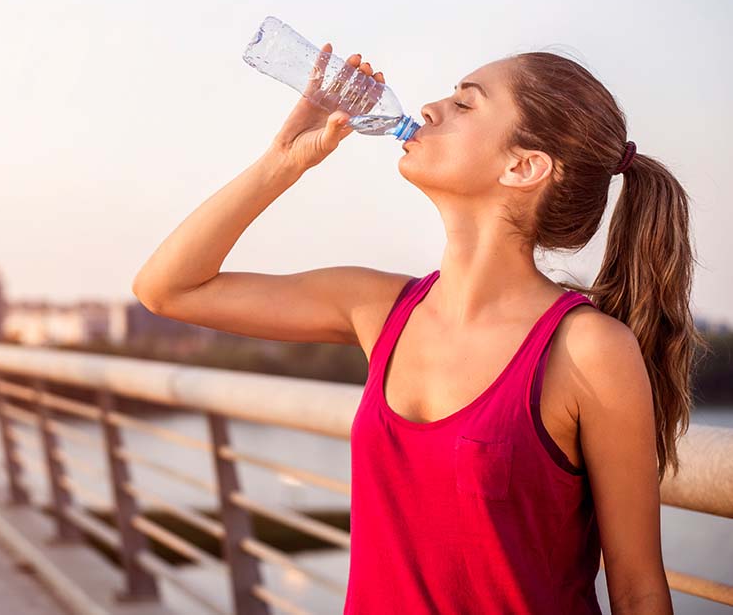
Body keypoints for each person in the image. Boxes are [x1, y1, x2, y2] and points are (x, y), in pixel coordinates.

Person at [132, 42, 706, 614]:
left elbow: (637, 592)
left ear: (523, 166)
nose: (430, 108)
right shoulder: (377, 308)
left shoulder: (588, 351)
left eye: (465, 104)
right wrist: (282, 161)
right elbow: (168, 289)